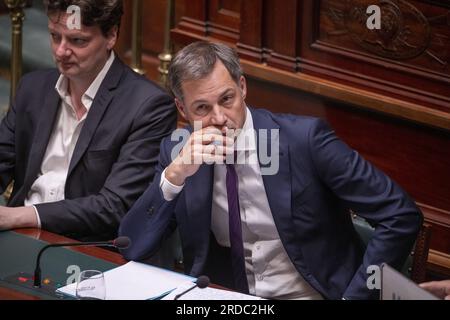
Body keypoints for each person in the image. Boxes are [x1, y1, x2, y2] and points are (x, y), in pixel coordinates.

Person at [118, 41, 422, 300]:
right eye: (202, 108)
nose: (220, 118)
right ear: (182, 110)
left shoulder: (305, 140)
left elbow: (401, 216)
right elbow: (132, 247)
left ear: (242, 87)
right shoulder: (178, 152)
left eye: (226, 99)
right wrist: (173, 177)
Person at [0, 0, 176, 241]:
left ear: (111, 35)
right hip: (19, 235)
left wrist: (22, 215)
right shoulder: (33, 88)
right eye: (54, 36)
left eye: (77, 40)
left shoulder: (148, 106)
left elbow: (114, 206)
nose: (61, 51)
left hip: (88, 249)